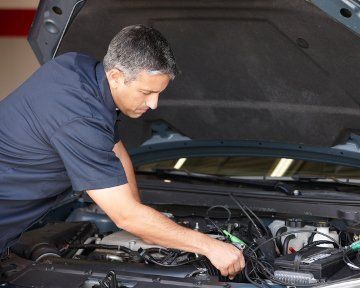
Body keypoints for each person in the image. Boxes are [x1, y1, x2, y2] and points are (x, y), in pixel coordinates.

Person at [0, 25, 244, 279]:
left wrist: (141, 217)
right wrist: (211, 247)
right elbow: (125, 216)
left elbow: (115, 148)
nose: (153, 104)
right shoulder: (81, 120)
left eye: (159, 93)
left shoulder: (75, 67)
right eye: (147, 92)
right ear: (116, 76)